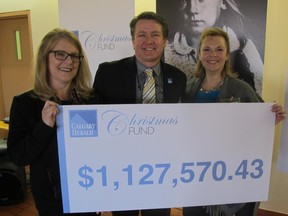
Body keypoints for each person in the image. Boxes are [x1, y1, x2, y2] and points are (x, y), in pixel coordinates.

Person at [183, 27, 286, 216]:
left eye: (219, 49)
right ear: (199, 54)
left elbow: (256, 126)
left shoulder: (242, 89)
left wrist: (271, 118)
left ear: (227, 55)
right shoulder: (188, 88)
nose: (212, 54)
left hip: (227, 172)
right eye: (207, 49)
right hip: (194, 173)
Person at [93, 11, 187, 216]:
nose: (148, 41)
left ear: (164, 40)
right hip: (121, 169)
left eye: (155, 34)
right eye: (141, 35)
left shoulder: (178, 78)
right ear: (133, 40)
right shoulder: (107, 73)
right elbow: (95, 120)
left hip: (161, 170)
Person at [7, 28, 99, 216]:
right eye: (60, 54)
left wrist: (104, 192)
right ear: (45, 57)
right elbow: (18, 156)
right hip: (51, 200)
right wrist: (43, 127)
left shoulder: (92, 100)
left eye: (75, 56)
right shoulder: (25, 103)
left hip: (89, 192)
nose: (69, 61)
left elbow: (105, 149)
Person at [157, 0, 265, 95]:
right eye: (184, 0)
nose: (192, 9)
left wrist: (270, 112)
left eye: (201, 0)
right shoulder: (166, 51)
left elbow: (257, 104)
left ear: (222, 2)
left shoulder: (244, 47)